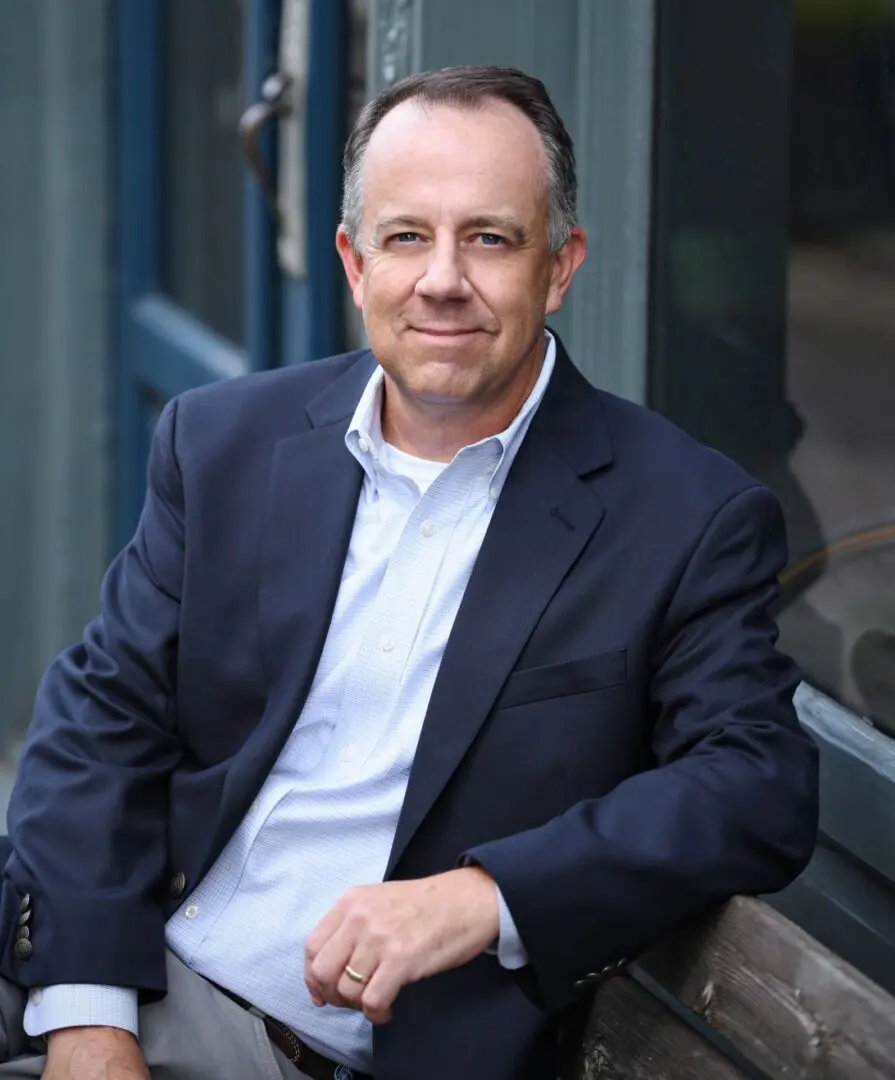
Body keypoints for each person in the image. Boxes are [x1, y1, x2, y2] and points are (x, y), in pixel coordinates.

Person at [0, 66, 818, 1080]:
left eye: (488, 237)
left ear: (560, 267)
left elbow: (753, 784)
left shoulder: (684, 518)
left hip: (300, 1049)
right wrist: (89, 1025)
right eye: (404, 237)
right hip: (114, 971)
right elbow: (96, 722)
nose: (441, 278)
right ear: (352, 263)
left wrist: (486, 897)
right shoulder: (222, 443)